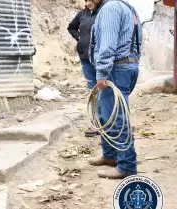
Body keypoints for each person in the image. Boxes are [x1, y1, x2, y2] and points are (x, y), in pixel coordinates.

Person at [88, 0, 142, 179]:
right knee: (106, 115)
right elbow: (137, 41)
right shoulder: (128, 7)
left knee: (117, 118)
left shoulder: (111, 8)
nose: (88, 2)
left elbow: (108, 44)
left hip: (116, 69)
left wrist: (102, 72)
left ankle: (126, 166)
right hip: (126, 66)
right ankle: (110, 155)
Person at [67, 0, 99, 138]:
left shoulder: (104, 13)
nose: (89, 3)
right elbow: (71, 28)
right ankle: (94, 123)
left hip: (100, 58)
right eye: (86, 0)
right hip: (85, 57)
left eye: (92, 0)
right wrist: (79, 38)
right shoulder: (82, 14)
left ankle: (107, 122)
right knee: (93, 90)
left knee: (105, 89)